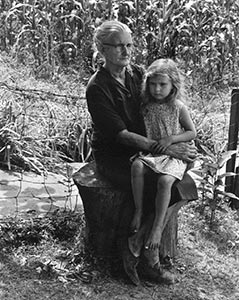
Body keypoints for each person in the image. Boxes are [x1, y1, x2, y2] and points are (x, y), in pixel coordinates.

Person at [86, 20, 198, 286]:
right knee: (162, 186)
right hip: (115, 156)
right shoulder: (97, 88)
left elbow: (167, 103)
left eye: (129, 45)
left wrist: (179, 141)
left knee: (180, 181)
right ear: (102, 49)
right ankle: (149, 260)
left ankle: (141, 241)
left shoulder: (137, 74)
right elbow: (122, 136)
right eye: (118, 46)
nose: (126, 51)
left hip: (149, 149)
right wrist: (170, 148)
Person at [130, 58, 197, 253]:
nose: (157, 89)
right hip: (155, 152)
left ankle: (158, 227)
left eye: (162, 85)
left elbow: (192, 132)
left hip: (176, 153)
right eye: (152, 84)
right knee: (136, 166)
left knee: (165, 181)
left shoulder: (178, 107)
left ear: (173, 85)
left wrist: (171, 139)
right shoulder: (146, 106)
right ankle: (139, 210)